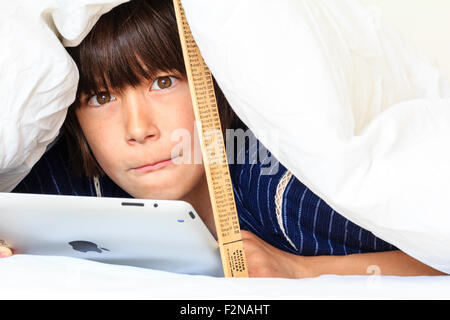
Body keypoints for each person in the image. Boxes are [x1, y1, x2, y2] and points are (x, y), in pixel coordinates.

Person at [2, 0, 445, 278]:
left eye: (163, 82)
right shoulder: (74, 189)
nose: (138, 130)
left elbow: (435, 250)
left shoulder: (284, 190)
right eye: (101, 97)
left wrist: (302, 269)